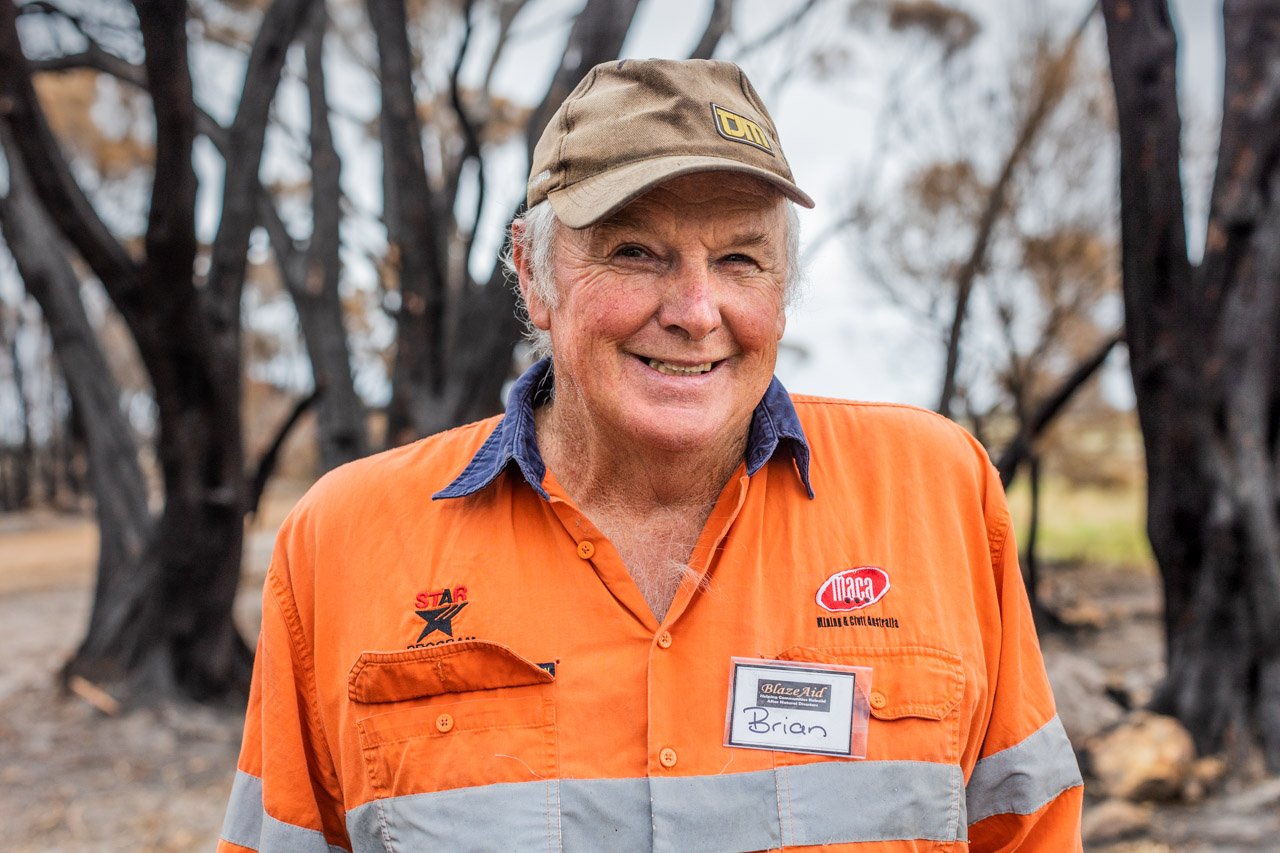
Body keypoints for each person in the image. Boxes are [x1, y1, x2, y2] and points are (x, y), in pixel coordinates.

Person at [219, 58, 1083, 852]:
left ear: (783, 289)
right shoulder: (345, 540)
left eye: (740, 259)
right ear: (533, 273)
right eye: (636, 252)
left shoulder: (938, 493)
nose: (696, 310)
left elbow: (1030, 829)